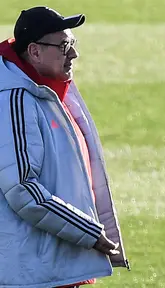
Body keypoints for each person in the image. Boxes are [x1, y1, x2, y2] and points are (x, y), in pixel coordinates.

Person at [0, 6, 129, 288]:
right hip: (33, 276)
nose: (74, 54)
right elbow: (22, 188)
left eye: (73, 44)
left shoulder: (49, 89)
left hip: (50, 266)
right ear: (34, 51)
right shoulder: (15, 98)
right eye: (64, 45)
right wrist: (90, 233)